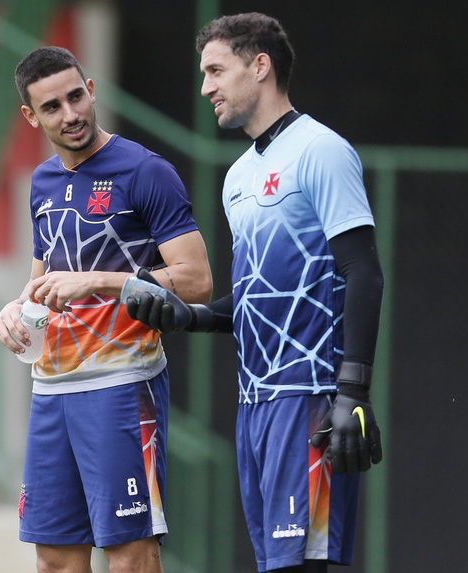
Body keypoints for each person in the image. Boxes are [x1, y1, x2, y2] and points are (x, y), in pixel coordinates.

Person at [126, 13, 385, 573]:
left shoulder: (322, 150)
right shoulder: (238, 176)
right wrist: (186, 316)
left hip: (311, 397)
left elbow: (363, 272)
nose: (205, 88)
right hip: (255, 406)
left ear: (260, 66)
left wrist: (353, 394)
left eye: (216, 70)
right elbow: (255, 299)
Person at [0, 46, 213, 573]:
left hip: (120, 387)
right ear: (30, 116)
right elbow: (42, 279)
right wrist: (15, 308)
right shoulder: (41, 182)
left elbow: (198, 280)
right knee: (55, 561)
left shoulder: (145, 170)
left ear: (91, 89)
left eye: (75, 97)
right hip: (50, 392)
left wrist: (103, 281)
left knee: (131, 556)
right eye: (52, 107)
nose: (70, 115)